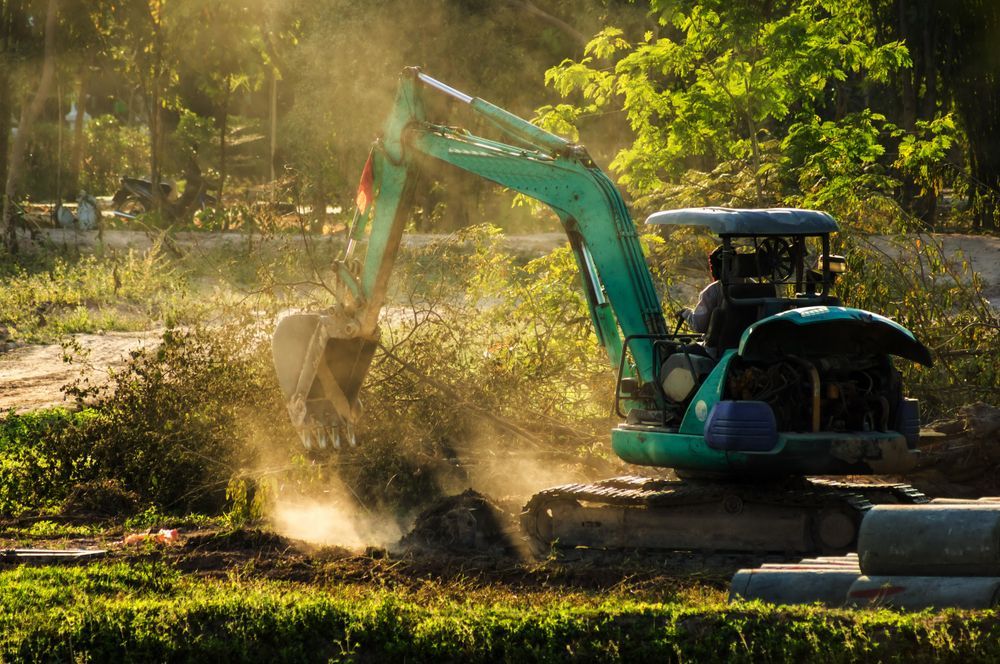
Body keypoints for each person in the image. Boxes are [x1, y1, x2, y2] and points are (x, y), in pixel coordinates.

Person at [679, 247, 724, 333]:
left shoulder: (713, 290)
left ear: (716, 269)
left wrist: (686, 313)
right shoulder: (755, 286)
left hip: (718, 345)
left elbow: (699, 325)